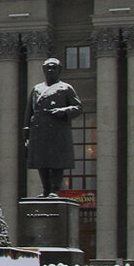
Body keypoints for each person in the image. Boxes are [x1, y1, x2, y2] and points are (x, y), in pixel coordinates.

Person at [23, 57, 83, 198]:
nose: (50, 70)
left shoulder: (65, 88)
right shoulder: (37, 89)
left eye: (53, 68)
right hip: (39, 130)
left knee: (56, 161)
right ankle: (45, 189)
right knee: (41, 161)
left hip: (57, 130)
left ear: (59, 70)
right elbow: (29, 112)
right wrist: (26, 132)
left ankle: (54, 190)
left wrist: (63, 111)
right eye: (48, 68)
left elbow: (78, 107)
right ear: (44, 70)